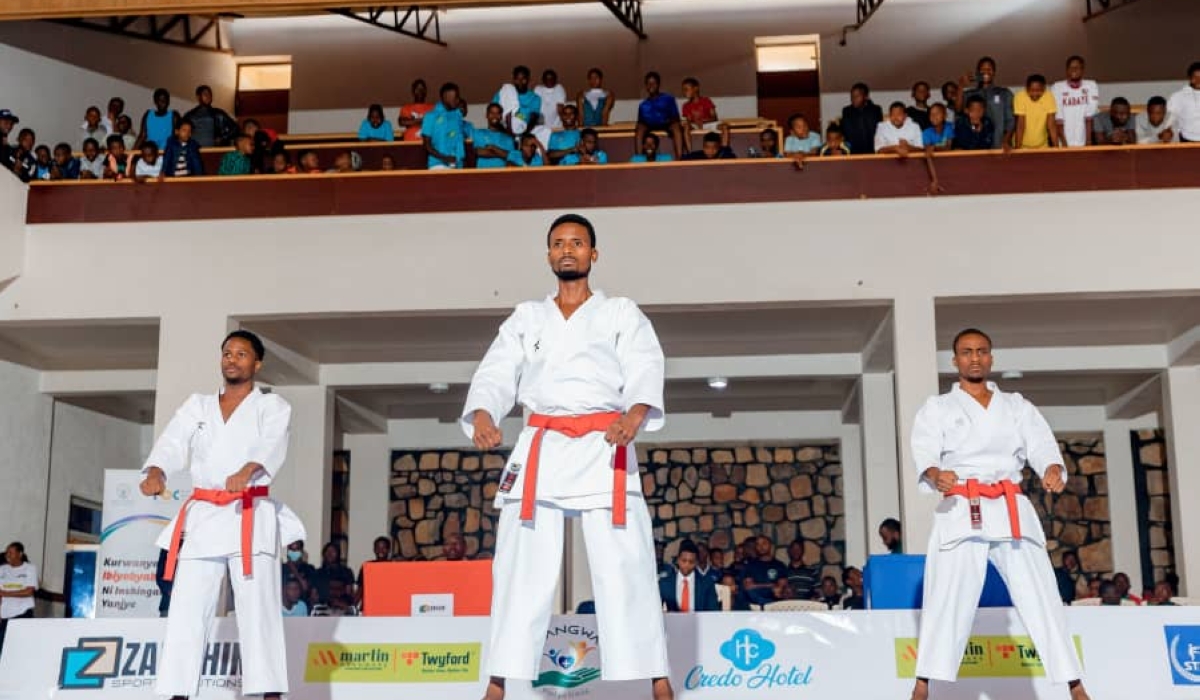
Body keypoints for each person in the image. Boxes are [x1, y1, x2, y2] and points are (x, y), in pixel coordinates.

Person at [463, 213, 674, 700]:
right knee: (520, 567)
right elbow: (496, 370)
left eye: (577, 243)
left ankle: (656, 679)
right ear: (548, 255)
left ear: (593, 254)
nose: (568, 250)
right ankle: (498, 681)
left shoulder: (620, 312)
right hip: (542, 445)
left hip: (607, 441)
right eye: (559, 243)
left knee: (628, 564)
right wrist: (482, 414)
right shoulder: (526, 317)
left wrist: (635, 414)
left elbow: (645, 364)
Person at [908, 328, 1090, 700]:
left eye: (982, 351)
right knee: (945, 596)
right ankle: (922, 684)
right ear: (954, 360)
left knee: (1042, 594)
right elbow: (924, 453)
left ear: (991, 357)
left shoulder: (1017, 406)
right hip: (962, 506)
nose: (975, 358)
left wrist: (1051, 468)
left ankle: (1075, 684)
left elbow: (1041, 444)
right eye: (966, 352)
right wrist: (934, 475)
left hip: (1010, 506)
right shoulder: (938, 408)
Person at [138, 330, 301, 700]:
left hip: (249, 513)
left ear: (256, 364)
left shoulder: (272, 407)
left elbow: (272, 443)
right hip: (205, 515)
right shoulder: (197, 405)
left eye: (241, 354)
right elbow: (172, 441)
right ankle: (178, 692)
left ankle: (269, 692)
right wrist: (156, 470)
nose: (232, 359)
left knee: (257, 607)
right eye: (227, 353)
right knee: (186, 606)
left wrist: (249, 469)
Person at [958, 56, 1014, 149]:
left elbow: (1010, 121)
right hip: (975, 149)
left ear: (994, 72)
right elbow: (959, 110)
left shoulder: (1004, 93)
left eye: (989, 69)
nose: (986, 71)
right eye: (982, 69)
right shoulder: (969, 94)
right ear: (977, 72)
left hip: (998, 146)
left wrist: (1005, 141)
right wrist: (960, 86)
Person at [1051, 55, 1100, 149]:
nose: (1074, 70)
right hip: (1063, 141)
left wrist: (1088, 142)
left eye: (1077, 67)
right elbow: (1058, 120)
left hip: (1084, 140)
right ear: (1066, 69)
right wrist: (1064, 144)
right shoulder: (1057, 87)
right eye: (1071, 67)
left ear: (1083, 70)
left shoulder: (1091, 85)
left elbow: (1089, 117)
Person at [636, 72, 686, 160]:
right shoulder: (643, 105)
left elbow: (675, 117)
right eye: (648, 83)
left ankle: (679, 158)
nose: (651, 85)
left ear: (658, 84)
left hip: (666, 123)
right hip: (650, 125)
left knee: (676, 126)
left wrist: (668, 121)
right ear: (646, 86)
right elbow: (641, 121)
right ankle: (639, 159)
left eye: (653, 83)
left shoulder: (668, 98)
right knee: (639, 127)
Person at [659, 540, 719, 613]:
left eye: (691, 562)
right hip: (673, 623)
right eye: (684, 561)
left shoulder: (707, 583)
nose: (687, 565)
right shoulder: (664, 583)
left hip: (699, 622)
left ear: (696, 562)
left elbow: (713, 611)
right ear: (678, 560)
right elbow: (655, 612)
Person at [0, 542, 37, 655]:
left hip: (23, 613)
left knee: (19, 647)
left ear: (20, 554)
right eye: (7, 553)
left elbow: (29, 591)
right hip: (5, 615)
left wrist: (6, 593)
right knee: (3, 646)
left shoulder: (30, 568)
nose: (8, 555)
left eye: (11, 553)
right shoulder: (2, 569)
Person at [422, 82, 467, 170]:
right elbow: (427, 145)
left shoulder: (457, 115)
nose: (458, 100)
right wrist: (445, 158)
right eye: (456, 97)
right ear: (446, 97)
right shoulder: (430, 116)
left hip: (458, 165)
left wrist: (460, 160)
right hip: (438, 164)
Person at [494, 65, 542, 137]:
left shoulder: (535, 98)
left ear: (528, 79)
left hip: (524, 128)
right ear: (513, 80)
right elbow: (494, 114)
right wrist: (505, 132)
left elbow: (533, 119)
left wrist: (524, 135)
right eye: (517, 79)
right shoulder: (505, 92)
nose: (520, 82)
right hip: (503, 127)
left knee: (544, 131)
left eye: (523, 79)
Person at [1014, 74, 1059, 149]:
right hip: (1022, 145)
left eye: (1038, 91)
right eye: (1031, 90)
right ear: (1026, 89)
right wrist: (1017, 150)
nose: (1035, 94)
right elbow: (1020, 125)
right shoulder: (1019, 96)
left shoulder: (1049, 96)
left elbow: (1051, 125)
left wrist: (1057, 148)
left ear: (1044, 88)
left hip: (1042, 145)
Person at [741, 535, 787, 606]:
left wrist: (757, 586)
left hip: (774, 601)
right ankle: (766, 605)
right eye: (758, 544)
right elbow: (748, 587)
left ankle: (766, 605)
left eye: (764, 543)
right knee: (750, 592)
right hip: (757, 601)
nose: (761, 547)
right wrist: (771, 586)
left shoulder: (779, 565)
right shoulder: (750, 565)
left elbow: (781, 588)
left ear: (770, 545)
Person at [841, 82, 883, 156]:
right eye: (852, 96)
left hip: (873, 152)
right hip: (853, 153)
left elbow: (878, 131)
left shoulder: (875, 110)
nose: (853, 99)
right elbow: (846, 133)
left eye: (857, 96)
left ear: (866, 96)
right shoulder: (847, 111)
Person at [474, 103, 515, 169]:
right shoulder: (478, 133)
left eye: (497, 113)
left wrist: (494, 148)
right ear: (486, 115)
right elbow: (477, 151)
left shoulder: (508, 138)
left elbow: (511, 157)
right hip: (481, 174)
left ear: (501, 116)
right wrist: (501, 153)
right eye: (492, 113)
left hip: (501, 175)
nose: (494, 116)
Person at [1167, 62, 1200, 142]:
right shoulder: (1178, 96)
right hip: (1187, 140)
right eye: (1195, 77)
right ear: (1189, 78)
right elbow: (1168, 118)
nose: (1198, 80)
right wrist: (1167, 129)